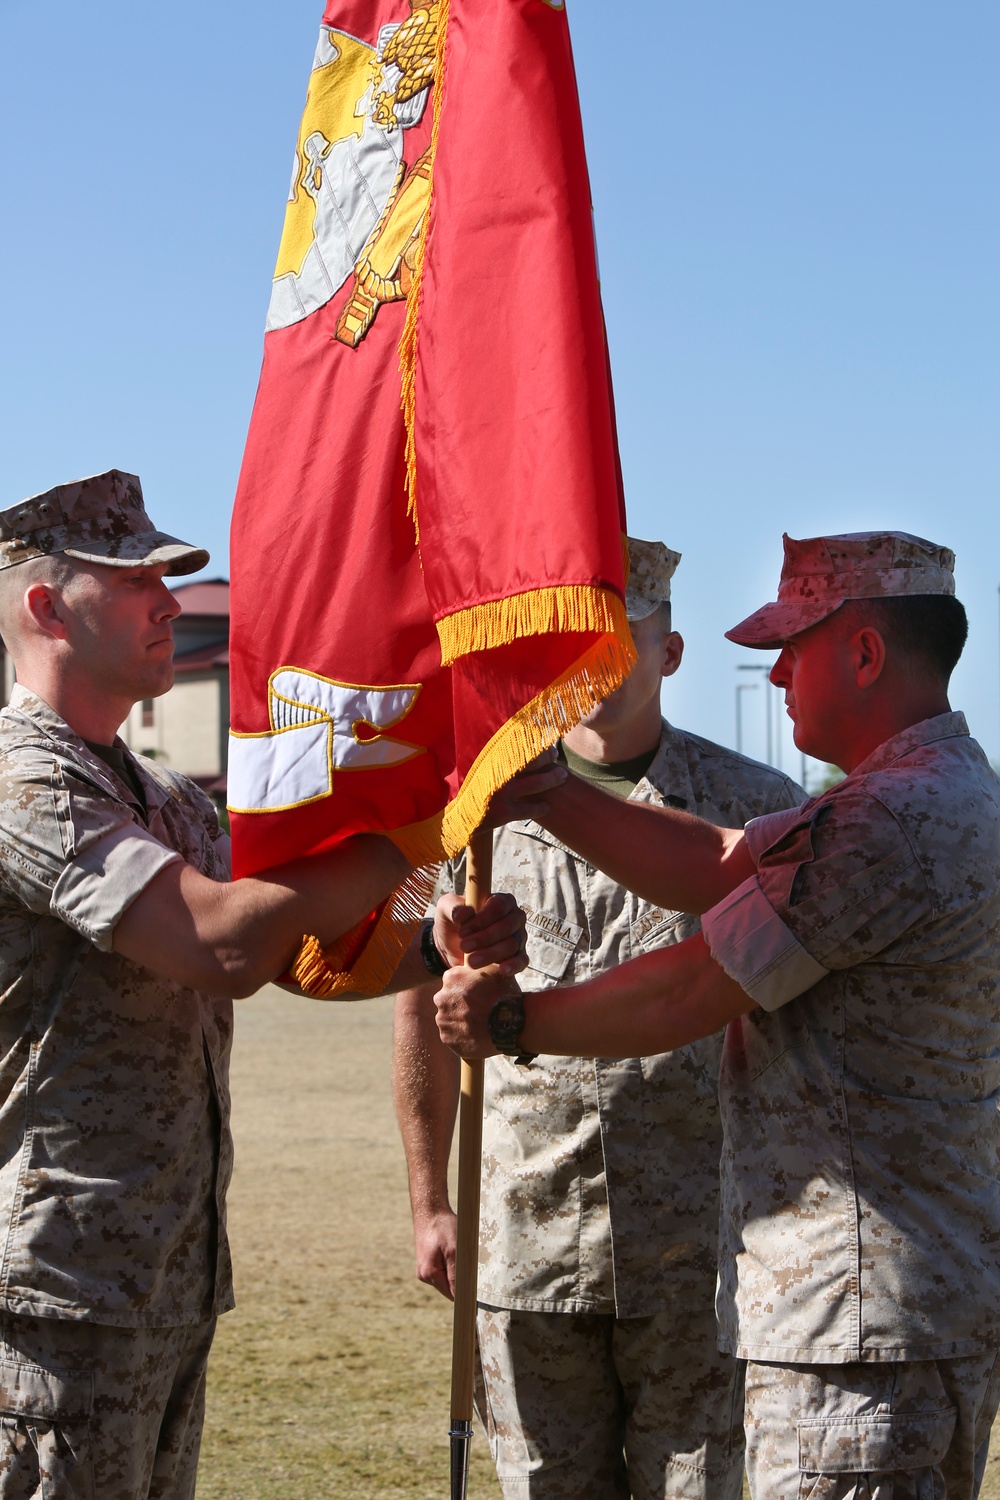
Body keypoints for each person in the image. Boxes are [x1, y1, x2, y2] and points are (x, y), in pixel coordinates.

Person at [435, 530, 1000, 1500]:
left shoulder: (887, 824)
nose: (775, 672)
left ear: (863, 653)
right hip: (883, 1314)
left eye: (793, 644)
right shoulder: (926, 798)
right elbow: (714, 862)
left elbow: (693, 985)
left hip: (853, 1331)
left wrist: (517, 1024)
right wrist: (548, 791)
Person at [0, 469, 522, 1500]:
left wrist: (431, 947)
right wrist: (417, 821)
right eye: (135, 578)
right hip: (51, 1294)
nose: (168, 602)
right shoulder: (24, 777)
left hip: (163, 1279)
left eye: (169, 577)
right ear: (46, 606)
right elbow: (222, 946)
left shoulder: (161, 797)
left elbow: (293, 954)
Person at [393, 537, 804, 1499]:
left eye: (624, 640)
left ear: (671, 653)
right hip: (526, 1236)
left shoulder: (755, 809)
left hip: (701, 1250)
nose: (598, 665)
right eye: (579, 643)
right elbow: (417, 998)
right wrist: (428, 1201)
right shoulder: (478, 807)